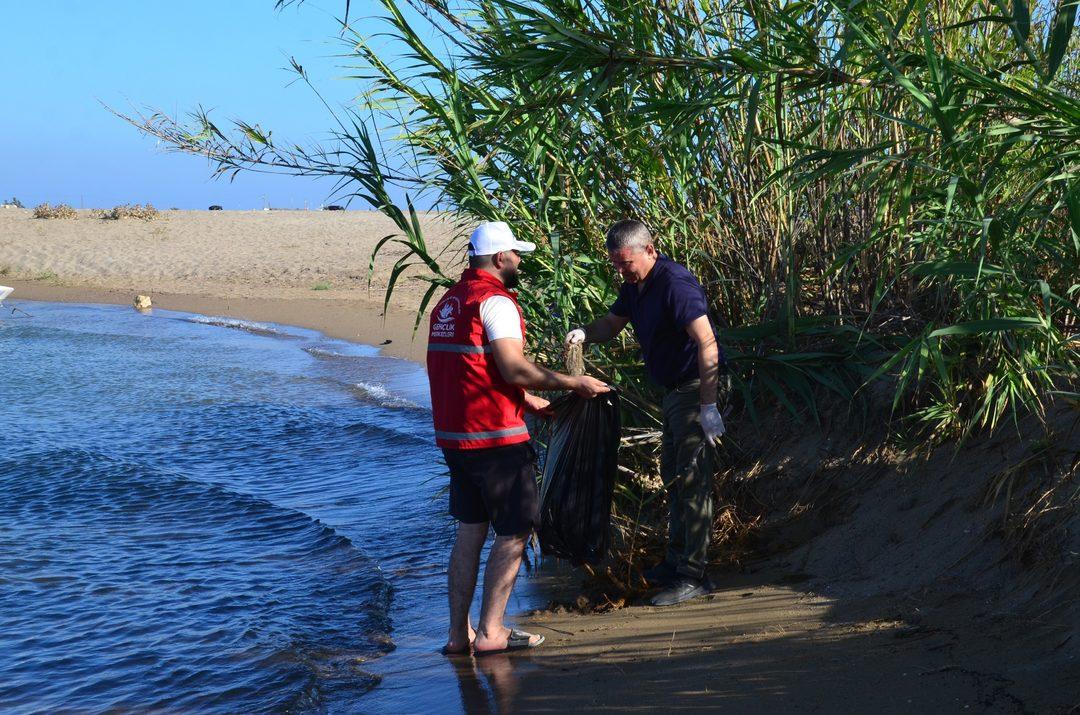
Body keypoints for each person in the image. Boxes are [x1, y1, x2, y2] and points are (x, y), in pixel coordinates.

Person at [429, 221, 610, 655]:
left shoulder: (450, 302)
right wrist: (571, 382)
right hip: (496, 442)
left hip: (456, 441)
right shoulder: (496, 301)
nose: (520, 261)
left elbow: (470, 371)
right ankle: (492, 633)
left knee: (469, 533)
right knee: (514, 532)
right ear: (499, 259)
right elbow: (511, 366)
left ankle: (459, 635)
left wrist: (527, 402)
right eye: (515, 254)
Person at [565, 219, 725, 606]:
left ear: (649, 250)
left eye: (626, 263)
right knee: (673, 476)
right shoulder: (635, 286)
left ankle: (693, 575)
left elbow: (706, 342)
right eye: (616, 265)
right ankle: (675, 563)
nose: (622, 272)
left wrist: (708, 406)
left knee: (690, 480)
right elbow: (611, 323)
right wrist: (585, 332)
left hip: (692, 389)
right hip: (673, 394)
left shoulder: (675, 283)